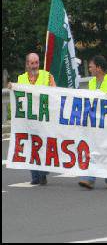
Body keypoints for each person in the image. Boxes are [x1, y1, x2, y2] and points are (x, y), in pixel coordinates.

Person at [8, 53, 56, 185]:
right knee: (30, 146)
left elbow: (55, 93)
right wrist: (12, 88)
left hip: (43, 118)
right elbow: (18, 96)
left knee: (42, 145)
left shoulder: (47, 76)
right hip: (28, 120)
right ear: (27, 64)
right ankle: (36, 175)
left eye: (36, 63)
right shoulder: (21, 78)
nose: (35, 66)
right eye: (32, 63)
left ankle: (42, 172)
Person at [79, 55, 107, 190]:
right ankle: (90, 179)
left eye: (91, 66)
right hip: (95, 122)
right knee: (94, 148)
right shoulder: (92, 82)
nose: (90, 68)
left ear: (98, 68)